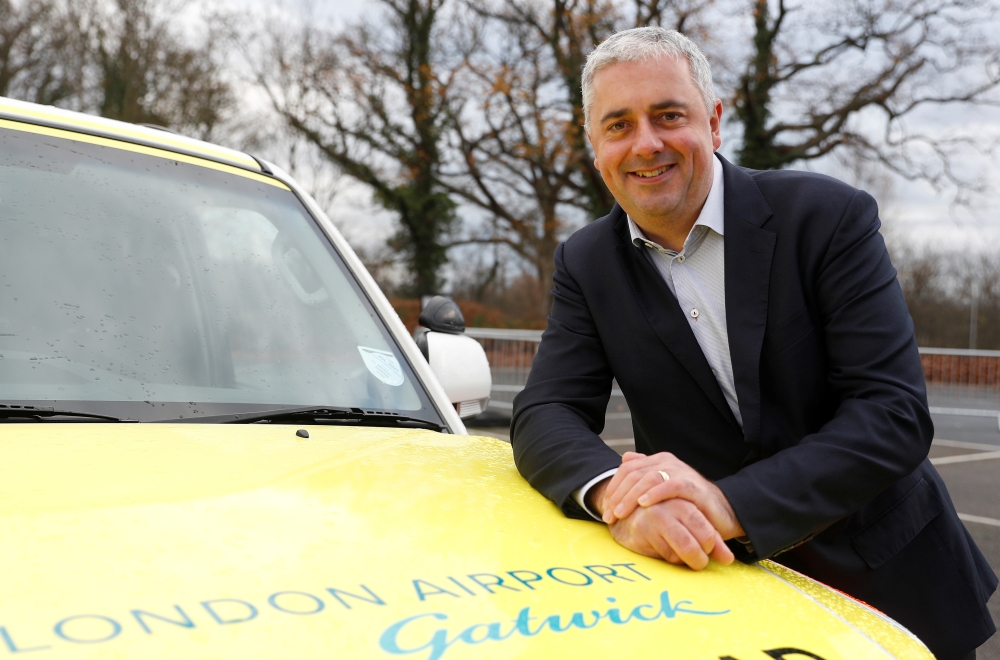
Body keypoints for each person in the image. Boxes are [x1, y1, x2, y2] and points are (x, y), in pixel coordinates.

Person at [510, 26, 996, 660]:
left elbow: (892, 414)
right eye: (619, 125)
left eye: (668, 115)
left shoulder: (827, 218)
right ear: (595, 146)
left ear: (713, 123)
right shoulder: (585, 262)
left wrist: (724, 501)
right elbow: (547, 411)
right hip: (716, 591)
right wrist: (613, 495)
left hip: (888, 587)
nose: (646, 143)